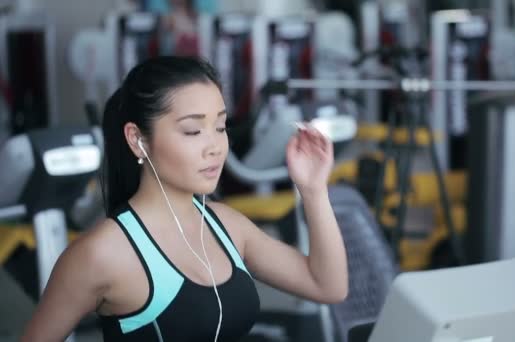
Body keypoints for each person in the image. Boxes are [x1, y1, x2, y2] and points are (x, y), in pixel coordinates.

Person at [21, 56, 348, 341]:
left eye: (220, 127)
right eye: (193, 131)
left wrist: (313, 189)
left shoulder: (228, 226)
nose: (215, 146)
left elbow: (327, 286)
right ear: (138, 140)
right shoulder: (101, 254)